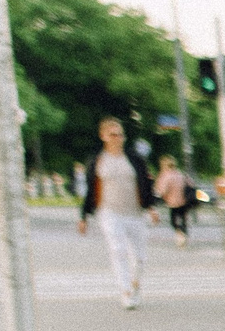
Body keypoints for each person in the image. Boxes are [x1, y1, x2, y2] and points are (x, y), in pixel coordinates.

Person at [77, 117, 159, 310]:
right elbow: (90, 190)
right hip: (109, 212)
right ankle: (125, 291)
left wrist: (151, 207)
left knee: (139, 257)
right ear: (103, 136)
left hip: (135, 213)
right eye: (113, 134)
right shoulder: (98, 161)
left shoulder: (135, 159)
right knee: (118, 249)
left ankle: (135, 285)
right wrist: (83, 216)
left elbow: (146, 185)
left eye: (120, 134)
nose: (117, 138)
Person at [152, 154, 193, 247]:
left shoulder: (165, 175)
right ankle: (183, 235)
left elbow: (161, 190)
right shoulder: (180, 173)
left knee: (173, 221)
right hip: (185, 201)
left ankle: (180, 234)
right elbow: (191, 184)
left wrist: (156, 196)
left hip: (173, 202)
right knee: (183, 219)